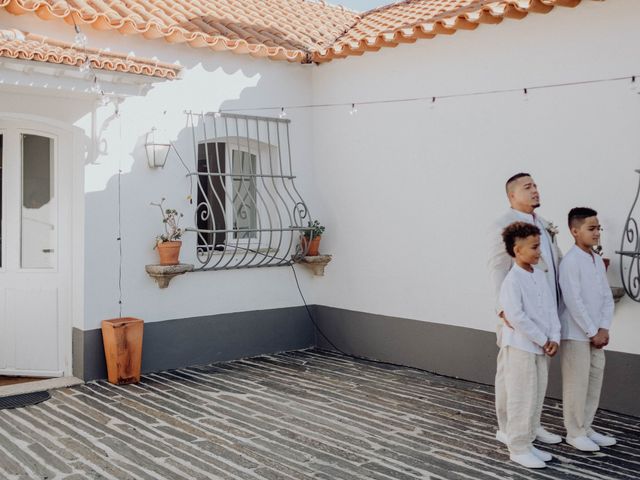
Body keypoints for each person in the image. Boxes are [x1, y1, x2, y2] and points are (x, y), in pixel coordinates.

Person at [488, 173, 563, 445]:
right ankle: (508, 428)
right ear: (512, 196)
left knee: (536, 375)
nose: (535, 190)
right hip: (515, 314)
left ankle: (532, 424)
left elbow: (554, 263)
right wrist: (502, 311)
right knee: (513, 376)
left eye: (536, 186)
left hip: (544, 313)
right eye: (527, 187)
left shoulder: (543, 224)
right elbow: (497, 268)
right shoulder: (502, 225)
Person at [499, 222, 561, 468]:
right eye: (534, 247)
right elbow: (517, 317)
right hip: (522, 348)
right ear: (517, 250)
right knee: (521, 397)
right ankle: (517, 447)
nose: (539, 252)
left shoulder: (539, 275)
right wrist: (543, 339)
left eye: (540, 247)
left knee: (536, 396)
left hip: (540, 347)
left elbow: (550, 308)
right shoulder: (512, 281)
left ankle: (528, 441)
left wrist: (554, 336)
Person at [559, 207, 616, 451]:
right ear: (574, 231)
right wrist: (592, 331)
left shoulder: (594, 259)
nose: (596, 233)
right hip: (577, 334)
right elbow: (574, 301)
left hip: (596, 335)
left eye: (598, 228)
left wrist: (603, 327)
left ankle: (587, 426)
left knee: (594, 381)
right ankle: (574, 431)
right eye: (591, 229)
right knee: (577, 383)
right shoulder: (571, 262)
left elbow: (606, 296)